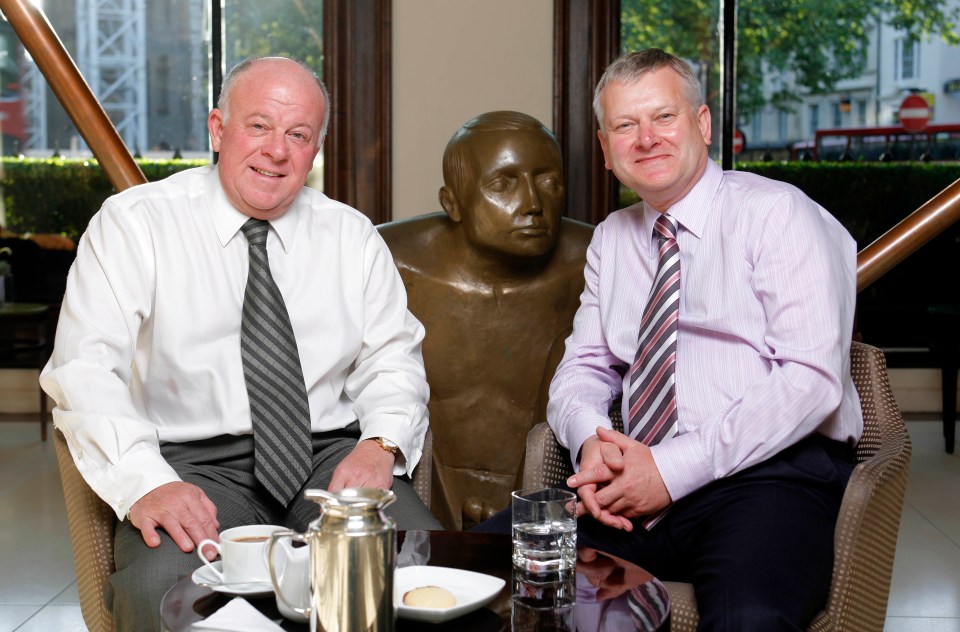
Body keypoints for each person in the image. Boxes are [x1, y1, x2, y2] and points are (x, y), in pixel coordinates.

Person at [40, 56, 440, 632]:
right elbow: (83, 369)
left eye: (298, 135)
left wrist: (379, 444)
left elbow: (394, 359)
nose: (277, 150)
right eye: (259, 125)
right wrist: (148, 482)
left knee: (418, 570)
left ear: (315, 149)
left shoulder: (351, 236)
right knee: (160, 591)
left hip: (329, 459)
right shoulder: (134, 225)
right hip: (190, 464)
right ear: (218, 129)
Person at [547, 49, 863, 630]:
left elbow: (811, 380)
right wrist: (593, 443)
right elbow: (584, 368)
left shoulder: (777, 214)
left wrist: (670, 470)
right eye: (625, 125)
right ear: (605, 149)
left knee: (749, 619)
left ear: (702, 124)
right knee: (489, 567)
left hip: (768, 474)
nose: (645, 138)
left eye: (663, 117)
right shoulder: (612, 239)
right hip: (629, 483)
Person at [379, 111, 593, 529]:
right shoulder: (389, 259)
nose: (533, 205)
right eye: (503, 184)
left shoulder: (595, 259)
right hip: (423, 489)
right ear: (452, 203)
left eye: (549, 182)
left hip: (549, 496)